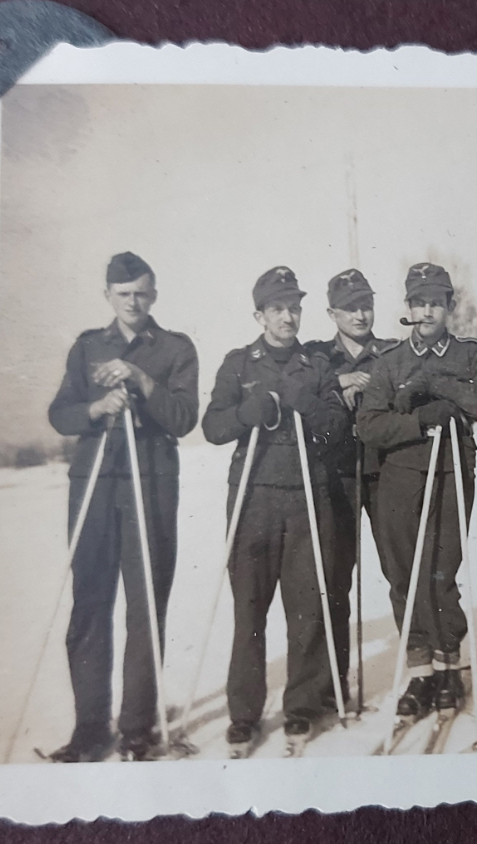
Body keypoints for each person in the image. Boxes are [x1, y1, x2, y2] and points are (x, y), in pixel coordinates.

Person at [47, 252, 199, 762]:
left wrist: (140, 379)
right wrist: (96, 407)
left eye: (142, 293)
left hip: (151, 485)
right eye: (124, 293)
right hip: (94, 483)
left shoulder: (175, 348)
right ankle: (90, 728)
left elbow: (182, 418)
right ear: (108, 295)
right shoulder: (88, 346)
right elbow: (60, 412)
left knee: (145, 605)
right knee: (90, 602)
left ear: (154, 294)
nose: (134, 302)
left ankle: (137, 728)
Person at [201, 266, 350, 755]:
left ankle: (302, 706)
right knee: (250, 610)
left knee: (307, 608)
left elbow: (337, 429)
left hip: (308, 497)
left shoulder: (317, 364)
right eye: (278, 309)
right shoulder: (240, 363)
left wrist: (305, 401)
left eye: (294, 307)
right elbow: (213, 426)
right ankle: (244, 712)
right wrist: (247, 413)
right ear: (259, 314)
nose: (288, 316)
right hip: (253, 500)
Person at [357, 263, 477, 716]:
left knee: (441, 572)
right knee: (404, 574)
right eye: (419, 302)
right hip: (400, 476)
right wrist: (418, 419)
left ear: (449, 306)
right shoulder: (390, 362)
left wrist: (437, 383)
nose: (427, 310)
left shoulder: (470, 354)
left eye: (436, 302)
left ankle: (448, 667)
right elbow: (369, 425)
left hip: (452, 471)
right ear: (408, 307)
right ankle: (420, 672)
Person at [302, 269, 400, 696]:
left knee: (402, 569)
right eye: (350, 307)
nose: (360, 314)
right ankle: (331, 683)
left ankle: (423, 671)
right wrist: (338, 384)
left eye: (366, 304)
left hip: (386, 473)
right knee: (334, 577)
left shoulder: (394, 351)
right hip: (338, 475)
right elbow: (302, 391)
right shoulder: (318, 356)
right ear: (332, 312)